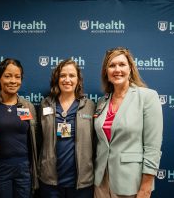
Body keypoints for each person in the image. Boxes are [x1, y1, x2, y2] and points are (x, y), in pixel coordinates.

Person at [94, 47, 163, 198]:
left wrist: (146, 188)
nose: (117, 69)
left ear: (130, 69)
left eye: (122, 64)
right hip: (101, 183)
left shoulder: (147, 97)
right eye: (112, 65)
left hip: (131, 183)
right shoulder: (102, 102)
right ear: (106, 71)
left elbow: (153, 148)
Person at [0, 58, 38, 198]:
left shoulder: (28, 106)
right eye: (8, 76)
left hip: (23, 169)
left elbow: (35, 137)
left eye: (17, 77)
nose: (13, 81)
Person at [38, 59, 95, 198]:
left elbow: (96, 141)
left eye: (72, 75)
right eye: (63, 75)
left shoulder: (90, 106)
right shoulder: (45, 105)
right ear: (57, 78)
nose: (67, 79)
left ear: (78, 80)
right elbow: (39, 139)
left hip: (81, 183)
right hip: (50, 182)